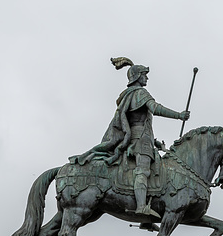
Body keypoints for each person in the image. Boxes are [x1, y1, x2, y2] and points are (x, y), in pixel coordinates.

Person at [71, 57, 189, 219]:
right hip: (140, 141)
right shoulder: (140, 93)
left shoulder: (130, 95)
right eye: (144, 75)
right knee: (143, 170)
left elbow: (139, 124)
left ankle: (147, 215)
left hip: (141, 138)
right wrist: (179, 116)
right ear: (138, 76)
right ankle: (141, 206)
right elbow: (155, 108)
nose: (146, 78)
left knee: (155, 171)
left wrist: (155, 143)